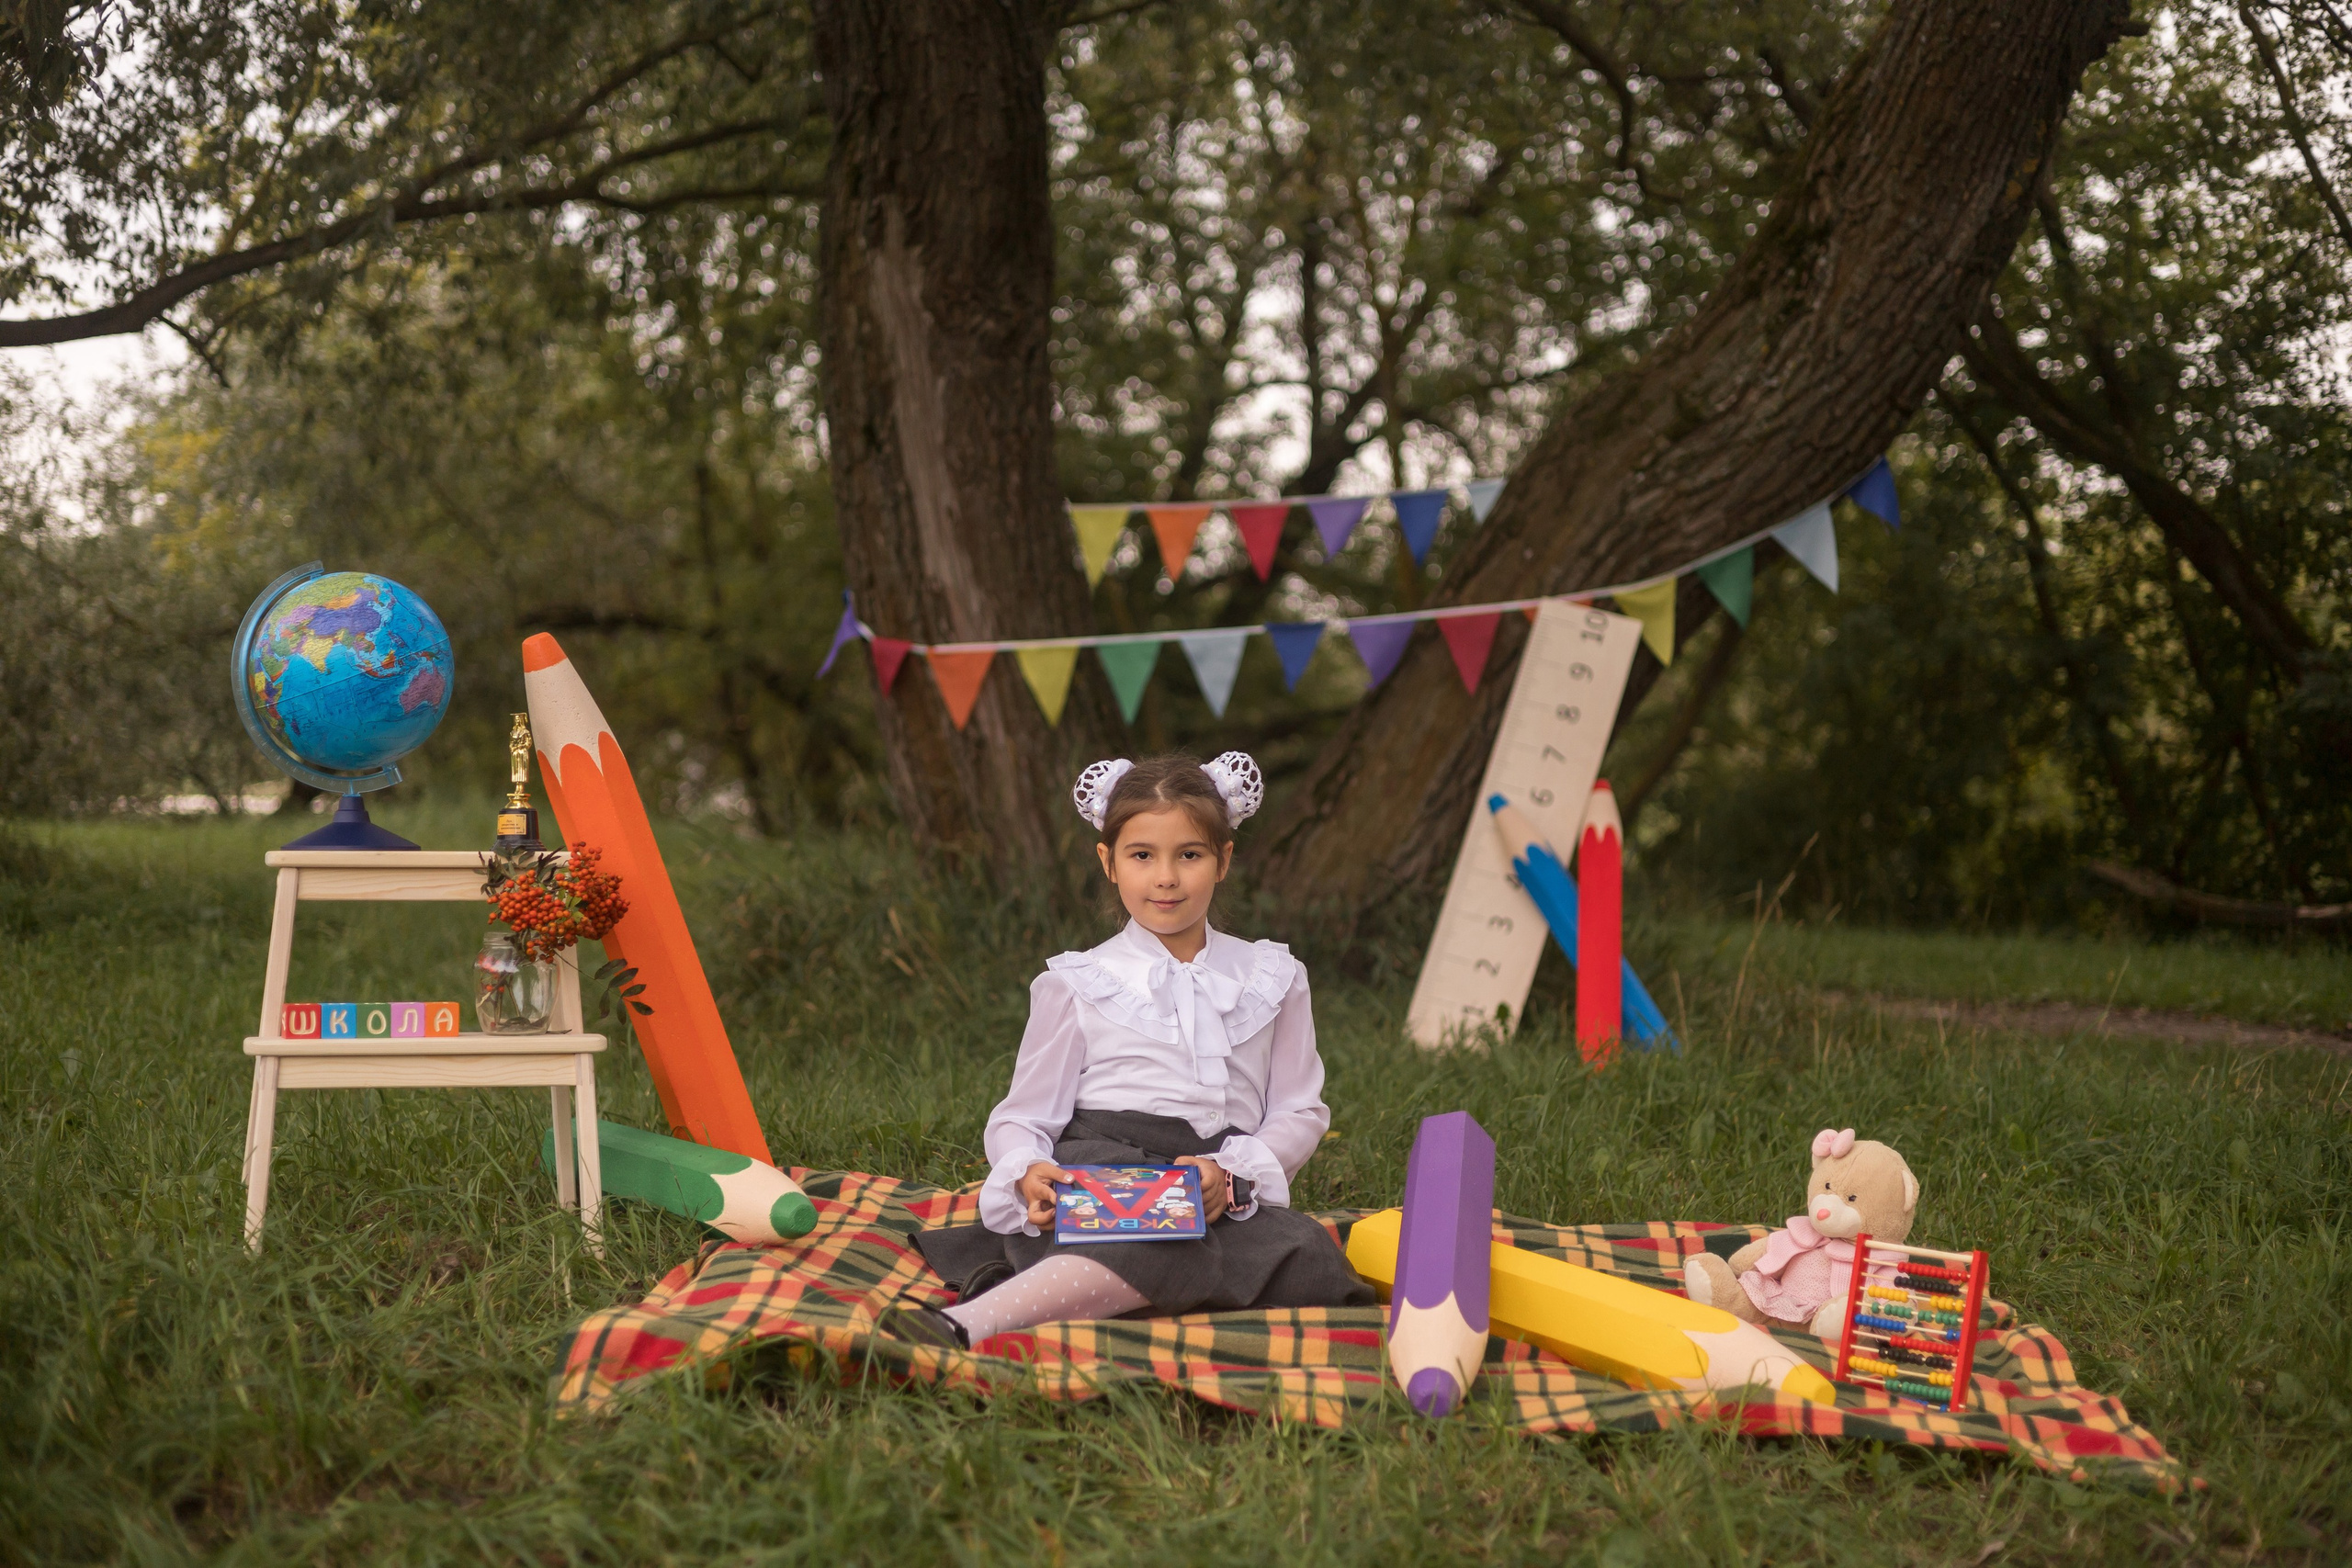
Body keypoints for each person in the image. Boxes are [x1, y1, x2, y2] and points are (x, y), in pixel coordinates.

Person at [890, 752, 1373, 1348]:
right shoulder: (1078, 983)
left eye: (1189, 855)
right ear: (1109, 862)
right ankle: (965, 1323)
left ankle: (1112, 1282)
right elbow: (1023, 1116)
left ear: (1223, 860)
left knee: (1309, 1260)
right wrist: (1028, 1171)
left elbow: (1300, 1109)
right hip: (1104, 1167)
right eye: (1142, 855)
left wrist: (1230, 1172)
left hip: (1213, 1183)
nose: (1165, 877)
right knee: (1155, 1233)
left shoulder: (1274, 976)